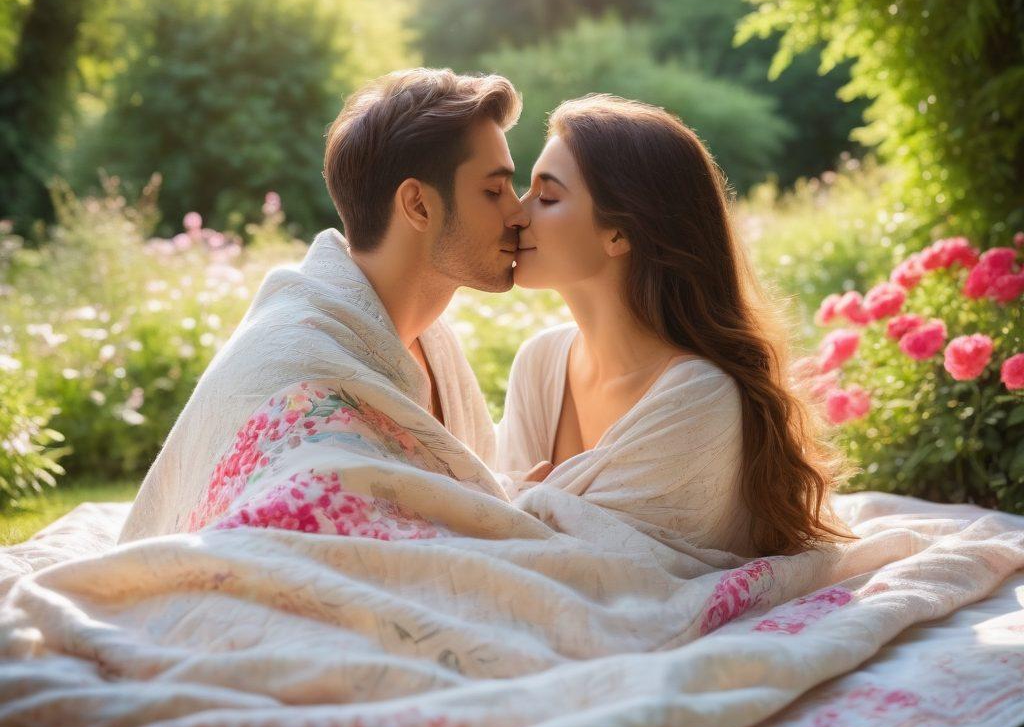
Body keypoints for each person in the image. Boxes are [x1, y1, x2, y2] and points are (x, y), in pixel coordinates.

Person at [118, 68, 534, 542]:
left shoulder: (433, 343)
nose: (518, 213)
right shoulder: (295, 357)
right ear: (418, 205)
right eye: (493, 191)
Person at [498, 94, 855, 558]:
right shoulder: (539, 362)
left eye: (547, 196)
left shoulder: (698, 394)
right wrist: (532, 507)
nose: (519, 213)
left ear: (620, 232)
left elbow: (620, 565)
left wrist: (527, 501)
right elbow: (512, 534)